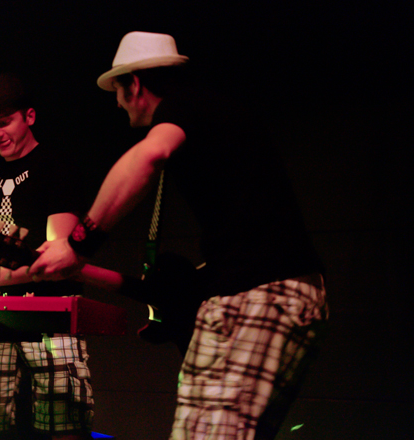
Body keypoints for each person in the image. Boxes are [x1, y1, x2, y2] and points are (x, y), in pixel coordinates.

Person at [28, 32, 328, 440]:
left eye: (117, 91)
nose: (117, 104)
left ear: (134, 85)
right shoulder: (208, 115)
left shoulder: (181, 107)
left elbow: (147, 156)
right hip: (263, 292)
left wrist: (78, 244)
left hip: (263, 294)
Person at [0, 73, 94, 440]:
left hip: (51, 314)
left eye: (5, 122)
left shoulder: (57, 165)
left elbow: (58, 258)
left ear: (29, 116)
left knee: (65, 422)